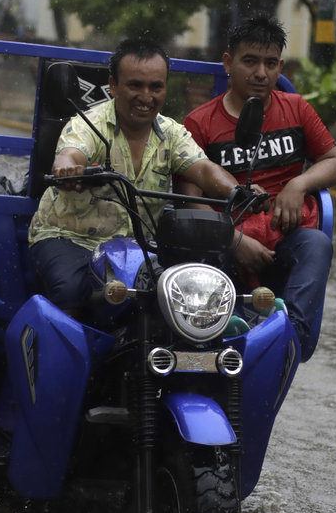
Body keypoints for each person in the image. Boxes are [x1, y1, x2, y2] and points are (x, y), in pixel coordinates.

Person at [28, 36, 254, 318]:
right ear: (113, 86)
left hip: (139, 247)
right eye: (135, 85)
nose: (146, 97)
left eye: (155, 87)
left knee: (190, 290)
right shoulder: (88, 125)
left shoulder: (171, 133)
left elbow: (204, 169)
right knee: (72, 290)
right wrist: (67, 168)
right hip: (71, 238)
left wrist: (236, 190)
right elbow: (71, 153)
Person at [182, 17, 336, 358]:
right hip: (224, 241)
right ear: (228, 63)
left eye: (270, 64)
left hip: (285, 236)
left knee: (317, 244)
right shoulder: (200, 123)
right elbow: (188, 200)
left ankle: (290, 340)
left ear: (280, 67)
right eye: (250, 61)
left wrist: (299, 184)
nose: (261, 73)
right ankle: (219, 332)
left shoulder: (296, 108)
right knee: (204, 251)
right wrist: (233, 240)